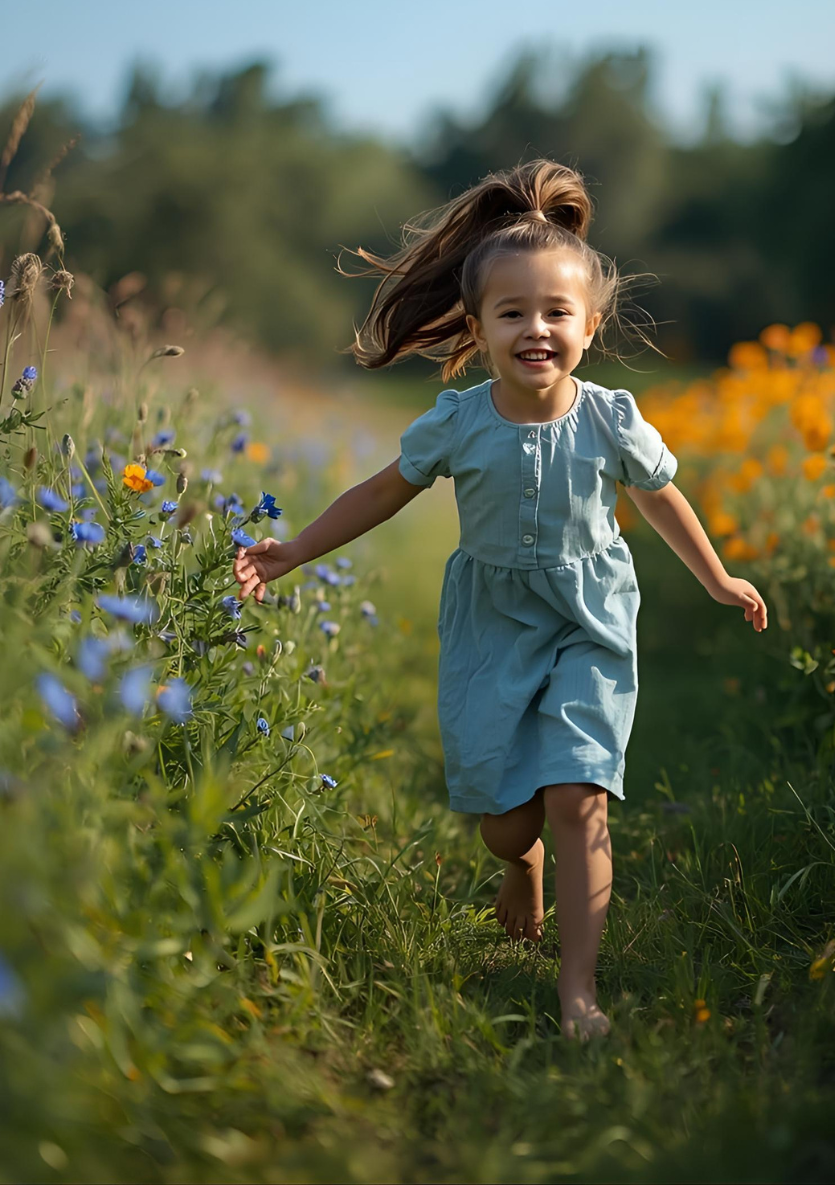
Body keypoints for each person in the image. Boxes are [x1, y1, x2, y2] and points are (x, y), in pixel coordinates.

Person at [232, 159, 768, 1041]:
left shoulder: (611, 418)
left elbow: (660, 496)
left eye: (557, 311)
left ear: (590, 324)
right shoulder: (459, 422)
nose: (536, 329)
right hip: (491, 625)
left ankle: (578, 989)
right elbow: (380, 493)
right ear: (477, 327)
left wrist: (716, 577)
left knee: (578, 797)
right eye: (513, 313)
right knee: (505, 822)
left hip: (590, 619)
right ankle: (520, 867)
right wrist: (294, 550)